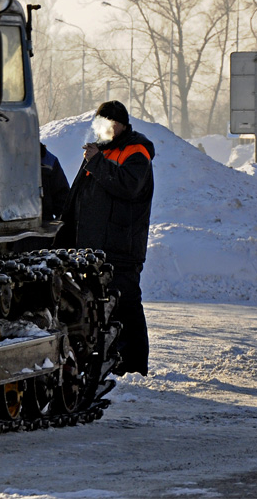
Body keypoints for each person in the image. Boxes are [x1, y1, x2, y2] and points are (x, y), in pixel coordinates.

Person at [59, 100, 154, 376]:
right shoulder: (101, 152)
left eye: (111, 123)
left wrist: (97, 162)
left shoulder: (136, 152)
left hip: (121, 247)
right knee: (99, 308)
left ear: (122, 125)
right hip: (94, 247)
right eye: (102, 122)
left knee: (126, 303)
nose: (106, 128)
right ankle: (111, 360)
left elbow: (127, 186)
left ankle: (135, 363)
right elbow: (80, 195)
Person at [40, 142, 70, 222]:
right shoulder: (4, 158)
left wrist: (64, 223)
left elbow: (61, 196)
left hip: (41, 225)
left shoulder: (49, 160)